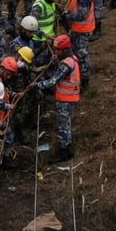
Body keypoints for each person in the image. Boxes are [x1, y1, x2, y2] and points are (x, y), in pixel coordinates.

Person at [27, 34, 80, 163]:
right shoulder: (72, 59)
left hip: (66, 99)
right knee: (65, 123)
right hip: (70, 97)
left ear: (65, 49)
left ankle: (65, 150)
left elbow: (53, 81)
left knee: (63, 125)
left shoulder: (65, 65)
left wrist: (37, 85)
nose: (56, 52)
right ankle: (66, 146)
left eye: (58, 50)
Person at [62, 0, 94, 90]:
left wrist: (68, 15)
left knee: (82, 55)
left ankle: (85, 80)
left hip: (83, 30)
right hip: (76, 28)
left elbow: (83, 15)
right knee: (72, 50)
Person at [31, 0, 63, 67]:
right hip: (39, 40)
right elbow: (32, 25)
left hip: (50, 38)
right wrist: (45, 35)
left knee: (51, 60)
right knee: (41, 63)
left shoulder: (51, 2)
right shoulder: (38, 6)